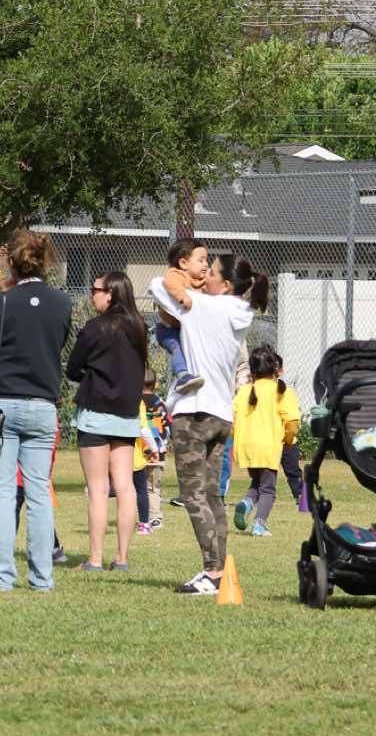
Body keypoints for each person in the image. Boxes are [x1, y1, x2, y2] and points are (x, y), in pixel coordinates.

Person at [152, 249, 266, 596]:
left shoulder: (203, 306)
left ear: (226, 283)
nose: (205, 276)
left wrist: (186, 284)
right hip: (221, 415)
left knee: (193, 495)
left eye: (211, 273)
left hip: (194, 413)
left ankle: (212, 571)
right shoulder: (240, 311)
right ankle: (220, 567)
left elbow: (157, 285)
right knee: (214, 495)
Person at [0, 231, 73, 592]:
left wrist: (4, 294)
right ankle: (42, 578)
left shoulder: (1, 300)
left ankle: (3, 576)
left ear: (11, 262)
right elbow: (58, 340)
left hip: (4, 404)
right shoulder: (62, 303)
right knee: (39, 491)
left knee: (2, 491)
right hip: (43, 404)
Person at [66, 270, 148, 572]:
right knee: (125, 487)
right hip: (127, 414)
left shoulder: (95, 327)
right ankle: (122, 558)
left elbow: (72, 368)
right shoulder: (139, 328)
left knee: (98, 489)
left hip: (96, 413)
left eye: (95, 290)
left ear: (110, 294)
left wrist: (90, 375)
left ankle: (95, 559)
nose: (92, 295)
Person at [232, 344, 300, 538]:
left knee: (257, 483)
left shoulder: (244, 391)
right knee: (268, 489)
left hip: (246, 447)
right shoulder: (282, 391)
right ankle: (259, 525)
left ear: (252, 371)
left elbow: (232, 417)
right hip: (268, 447)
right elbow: (292, 421)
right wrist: (289, 439)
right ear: (275, 369)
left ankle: (246, 503)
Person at [154, 239, 211, 397]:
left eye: (207, 260)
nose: (206, 264)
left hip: (186, 329)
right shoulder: (177, 274)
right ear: (184, 263)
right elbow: (170, 283)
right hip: (169, 329)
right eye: (201, 260)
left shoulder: (202, 280)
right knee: (177, 348)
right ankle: (183, 376)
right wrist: (182, 297)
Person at [134, 373, 167, 535]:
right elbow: (166, 426)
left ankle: (138, 517)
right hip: (156, 451)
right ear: (155, 384)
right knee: (153, 487)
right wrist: (161, 446)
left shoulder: (133, 401)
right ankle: (155, 518)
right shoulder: (160, 403)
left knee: (137, 487)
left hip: (138, 449)